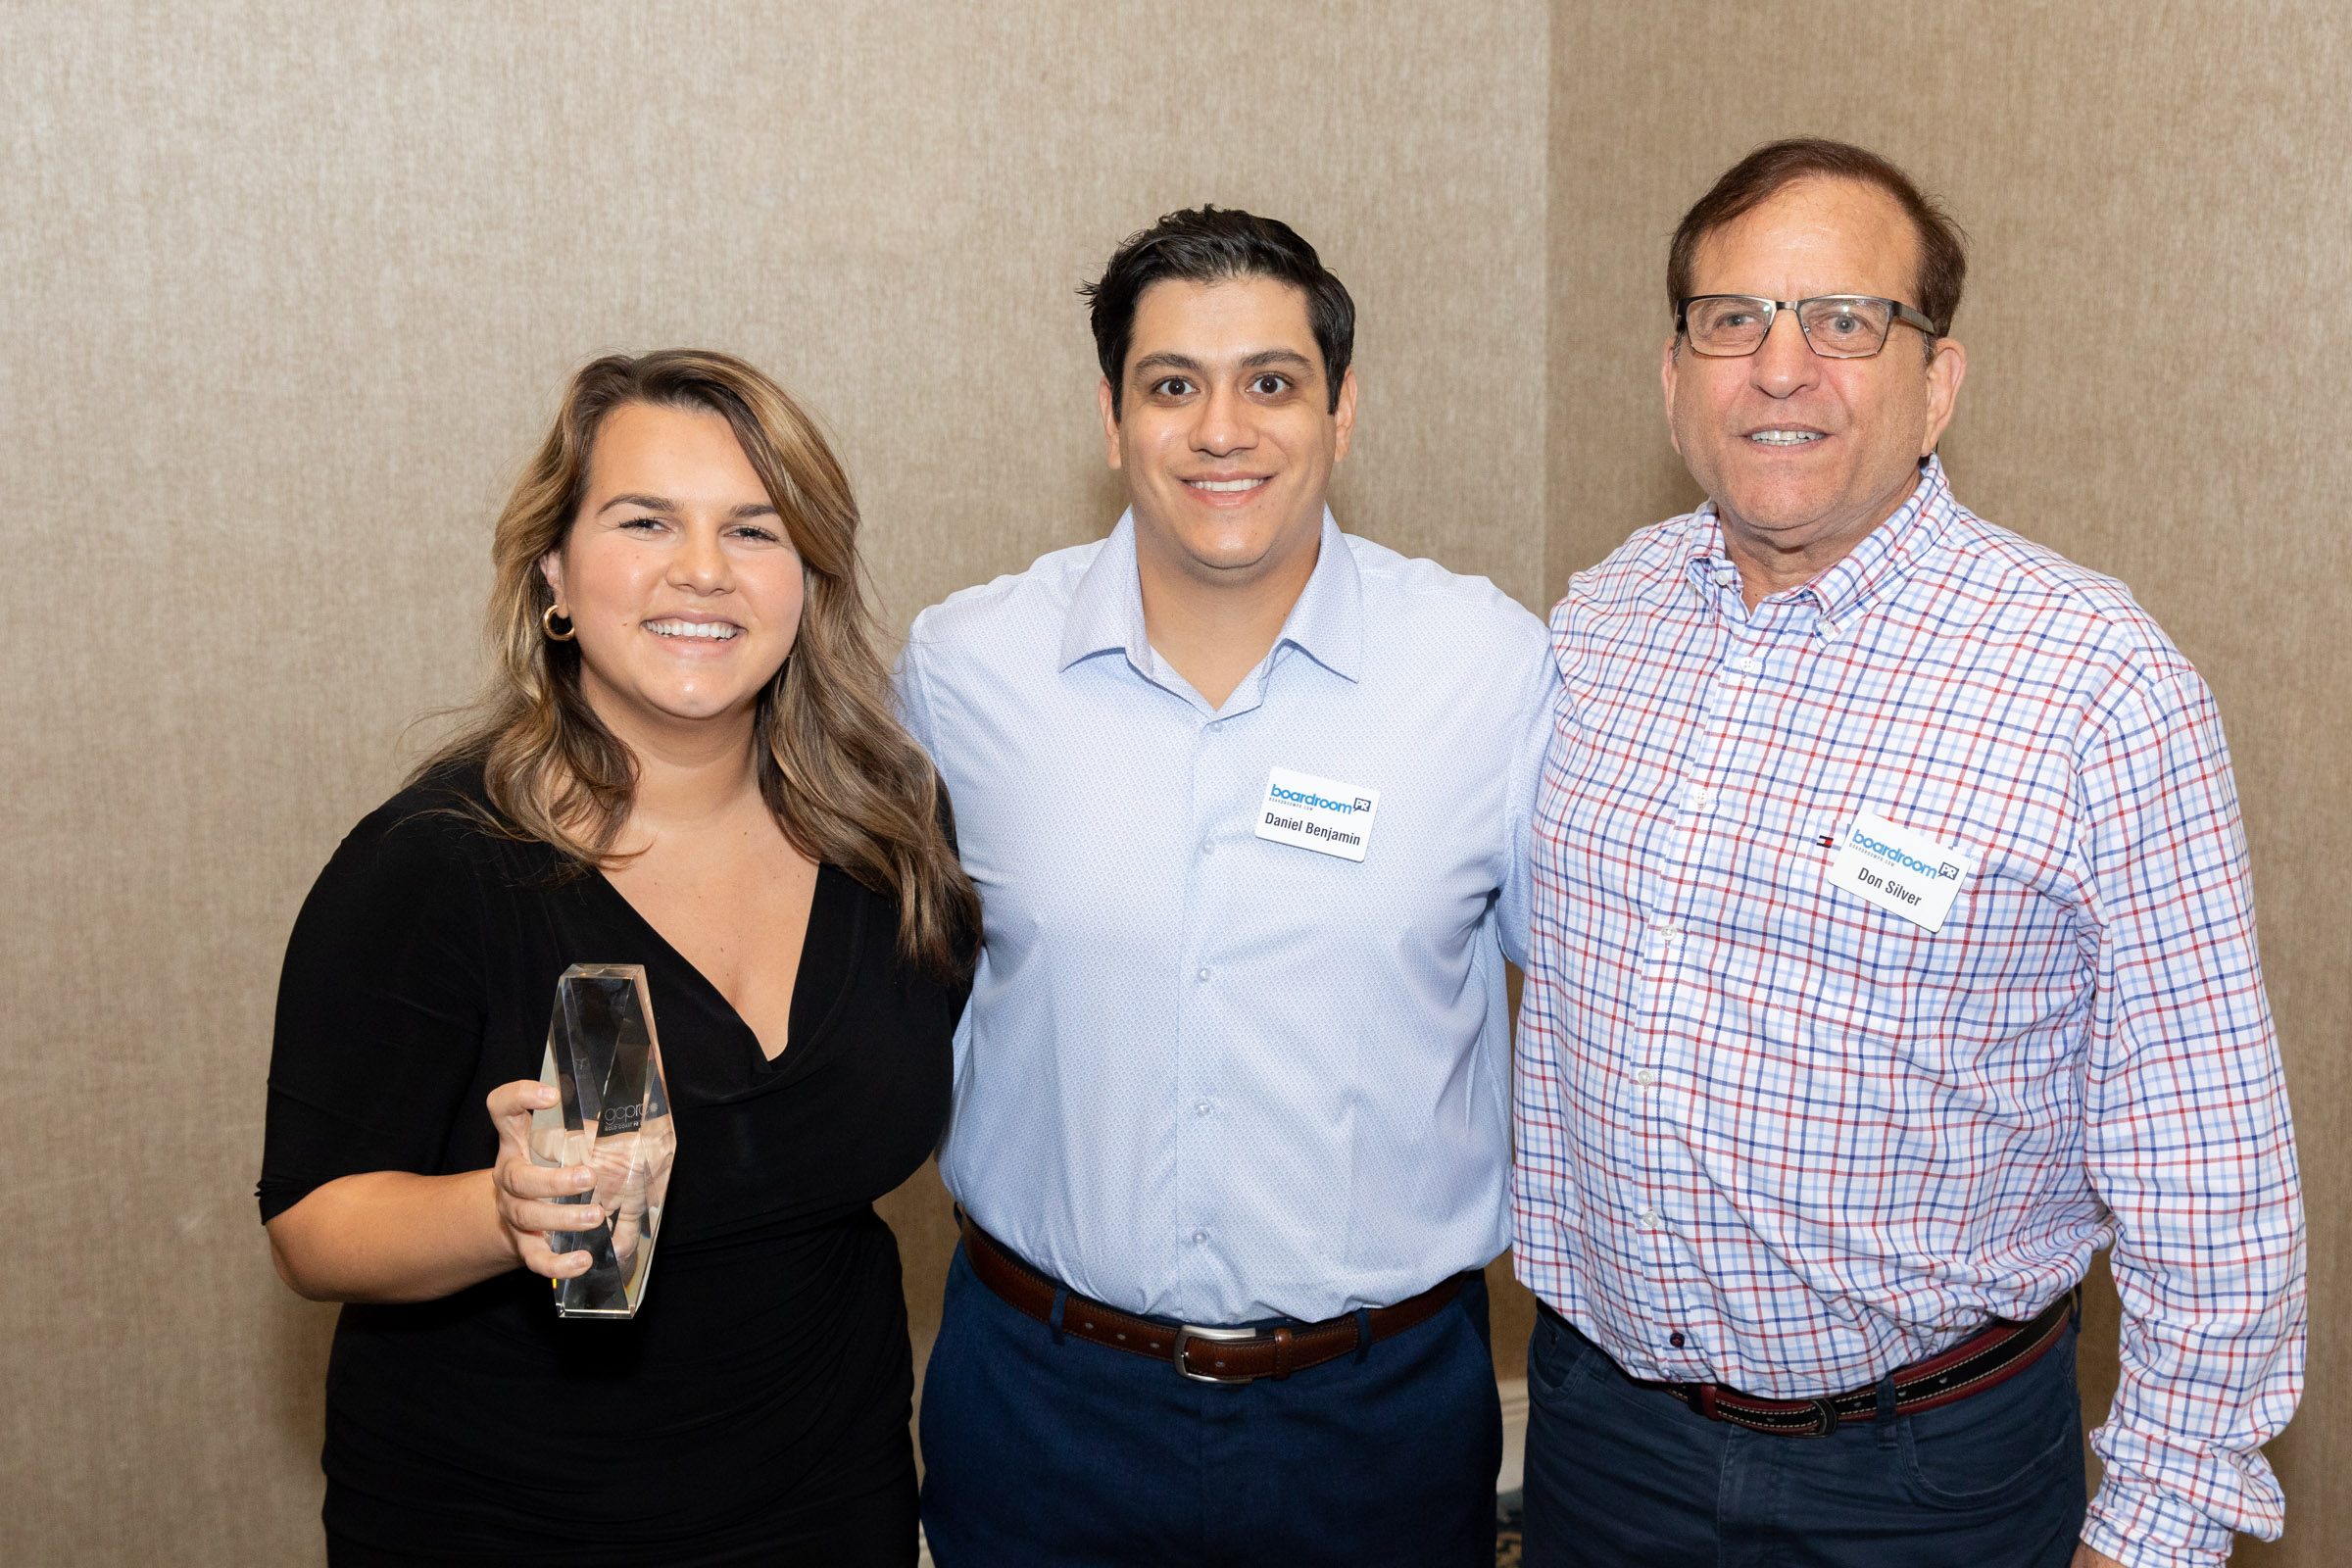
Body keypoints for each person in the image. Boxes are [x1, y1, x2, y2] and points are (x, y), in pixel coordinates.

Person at [1513, 138, 2305, 1568]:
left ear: (1938, 382)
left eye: (1845, 321)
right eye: (1733, 319)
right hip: (1603, 1440)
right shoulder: (1597, 623)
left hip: (1926, 1480)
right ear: (1674, 375)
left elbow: (2206, 1157)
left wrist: (2157, 1530)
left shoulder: (2098, 687)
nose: (1781, 367)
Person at [895, 207, 1556, 1565]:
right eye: (1172, 386)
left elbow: (1607, 990)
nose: (1221, 430)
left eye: (1271, 382)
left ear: (1342, 409)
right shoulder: (965, 671)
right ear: (1111, 417)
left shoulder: (1489, 672)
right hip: (1041, 1400)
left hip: (1377, 1416)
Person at [258, 350, 977, 1566]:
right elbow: (311, 1228)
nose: (702, 569)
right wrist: (501, 1209)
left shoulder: (891, 837)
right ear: (554, 568)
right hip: (504, 1523)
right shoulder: (436, 863)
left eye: (753, 529)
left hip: (828, 1501)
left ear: (808, 577)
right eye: (646, 521)